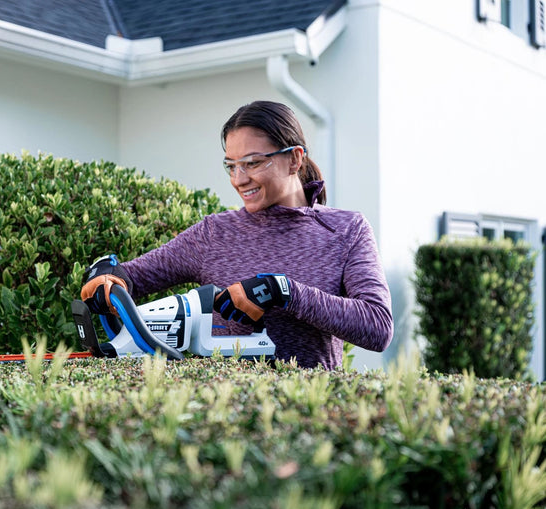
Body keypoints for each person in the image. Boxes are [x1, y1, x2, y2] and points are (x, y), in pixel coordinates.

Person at [81, 100, 393, 369]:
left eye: (253, 163)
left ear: (295, 158)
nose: (239, 179)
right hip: (223, 416)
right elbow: (132, 277)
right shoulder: (214, 234)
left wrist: (284, 292)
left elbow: (377, 327)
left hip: (307, 417)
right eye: (231, 165)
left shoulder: (346, 230)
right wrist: (107, 276)